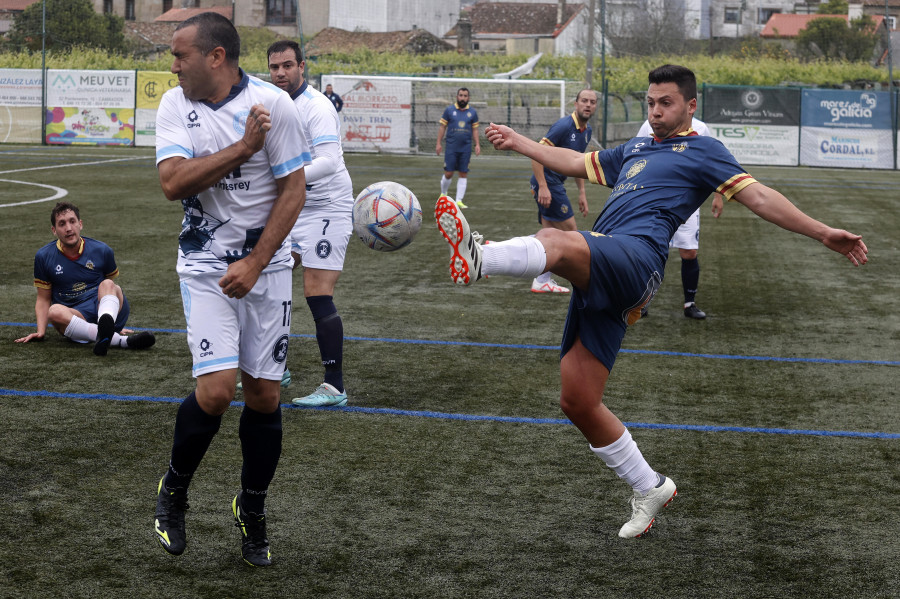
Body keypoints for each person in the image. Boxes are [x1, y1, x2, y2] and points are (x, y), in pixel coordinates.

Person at [434, 64, 867, 539]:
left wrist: (825, 232)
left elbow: (760, 197)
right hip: (605, 264)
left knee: (554, 240)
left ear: (690, 106)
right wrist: (519, 142)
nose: (656, 112)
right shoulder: (637, 148)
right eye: (651, 103)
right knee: (577, 399)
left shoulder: (705, 150)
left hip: (638, 260)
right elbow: (578, 164)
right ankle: (650, 485)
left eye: (667, 104)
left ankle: (482, 258)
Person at [152, 12, 309, 567]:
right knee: (217, 390)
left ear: (215, 57)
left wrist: (258, 260)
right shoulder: (177, 105)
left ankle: (254, 508)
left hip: (265, 268)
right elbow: (173, 184)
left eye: (180, 56)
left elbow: (295, 188)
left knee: (264, 396)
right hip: (204, 264)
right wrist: (242, 150)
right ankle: (174, 493)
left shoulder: (276, 106)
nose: (173, 66)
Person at [267, 40, 351, 408]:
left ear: (303, 67)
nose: (281, 73)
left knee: (317, 294)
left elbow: (329, 162)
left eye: (287, 65)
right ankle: (275, 366)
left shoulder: (317, 107)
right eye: (275, 67)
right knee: (268, 280)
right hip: (294, 205)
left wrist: (282, 178)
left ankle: (334, 386)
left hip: (326, 208)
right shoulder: (273, 103)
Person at [15, 201, 156, 355]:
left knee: (108, 284)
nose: (68, 228)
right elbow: (43, 299)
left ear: (80, 224)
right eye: (62, 224)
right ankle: (119, 340)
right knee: (54, 311)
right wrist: (41, 331)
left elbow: (112, 290)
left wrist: (112, 315)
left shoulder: (102, 250)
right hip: (75, 319)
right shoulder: (43, 256)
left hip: (102, 307)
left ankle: (106, 326)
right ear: (54, 230)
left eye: (72, 221)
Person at [636, 117, 723, 319]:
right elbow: (637, 154)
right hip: (654, 199)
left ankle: (689, 303)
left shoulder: (701, 128)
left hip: (687, 202)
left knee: (689, 252)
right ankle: (641, 301)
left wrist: (718, 195)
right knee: (651, 250)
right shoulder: (649, 125)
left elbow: (714, 162)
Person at [529, 89, 598, 294]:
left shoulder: (587, 131)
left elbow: (577, 162)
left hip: (555, 184)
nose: (588, 104)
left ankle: (540, 279)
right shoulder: (563, 126)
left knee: (548, 234)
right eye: (584, 100)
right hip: (548, 184)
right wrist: (543, 186)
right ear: (575, 104)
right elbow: (535, 154)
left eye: (592, 102)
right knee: (572, 234)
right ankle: (588, 281)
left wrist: (582, 193)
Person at [436, 87, 481, 209]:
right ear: (457, 96)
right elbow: (442, 127)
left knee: (463, 173)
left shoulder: (472, 112)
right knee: (449, 173)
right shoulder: (449, 110)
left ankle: (459, 201)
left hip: (465, 148)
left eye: (465, 96)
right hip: (451, 147)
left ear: (468, 98)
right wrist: (438, 143)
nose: (463, 98)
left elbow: (475, 129)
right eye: (461, 95)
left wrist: (477, 144)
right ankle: (443, 194)